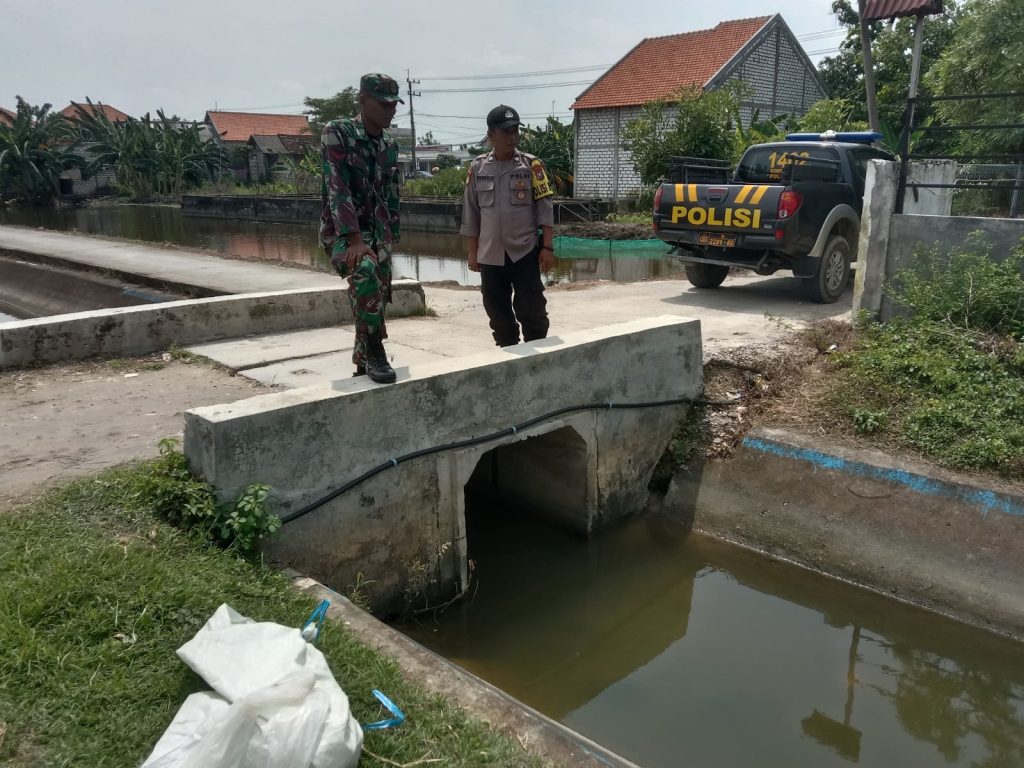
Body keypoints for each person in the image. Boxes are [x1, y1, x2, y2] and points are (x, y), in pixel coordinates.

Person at [320, 73, 403, 383]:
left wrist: (391, 235)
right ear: (362, 100)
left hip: (378, 232)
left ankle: (362, 364)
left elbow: (391, 192)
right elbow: (337, 187)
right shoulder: (337, 133)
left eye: (394, 104)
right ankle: (376, 349)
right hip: (343, 230)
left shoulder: (389, 144)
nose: (389, 110)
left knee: (375, 297)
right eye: (382, 104)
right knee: (365, 273)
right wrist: (354, 239)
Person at [460, 105, 555, 347]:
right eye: (506, 132)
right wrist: (473, 252)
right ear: (491, 135)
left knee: (532, 311)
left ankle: (536, 357)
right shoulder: (478, 168)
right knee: (497, 313)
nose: (513, 136)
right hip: (490, 255)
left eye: (516, 131)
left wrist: (547, 248)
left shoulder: (531, 166)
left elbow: (545, 208)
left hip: (524, 252)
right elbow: (471, 213)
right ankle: (507, 355)